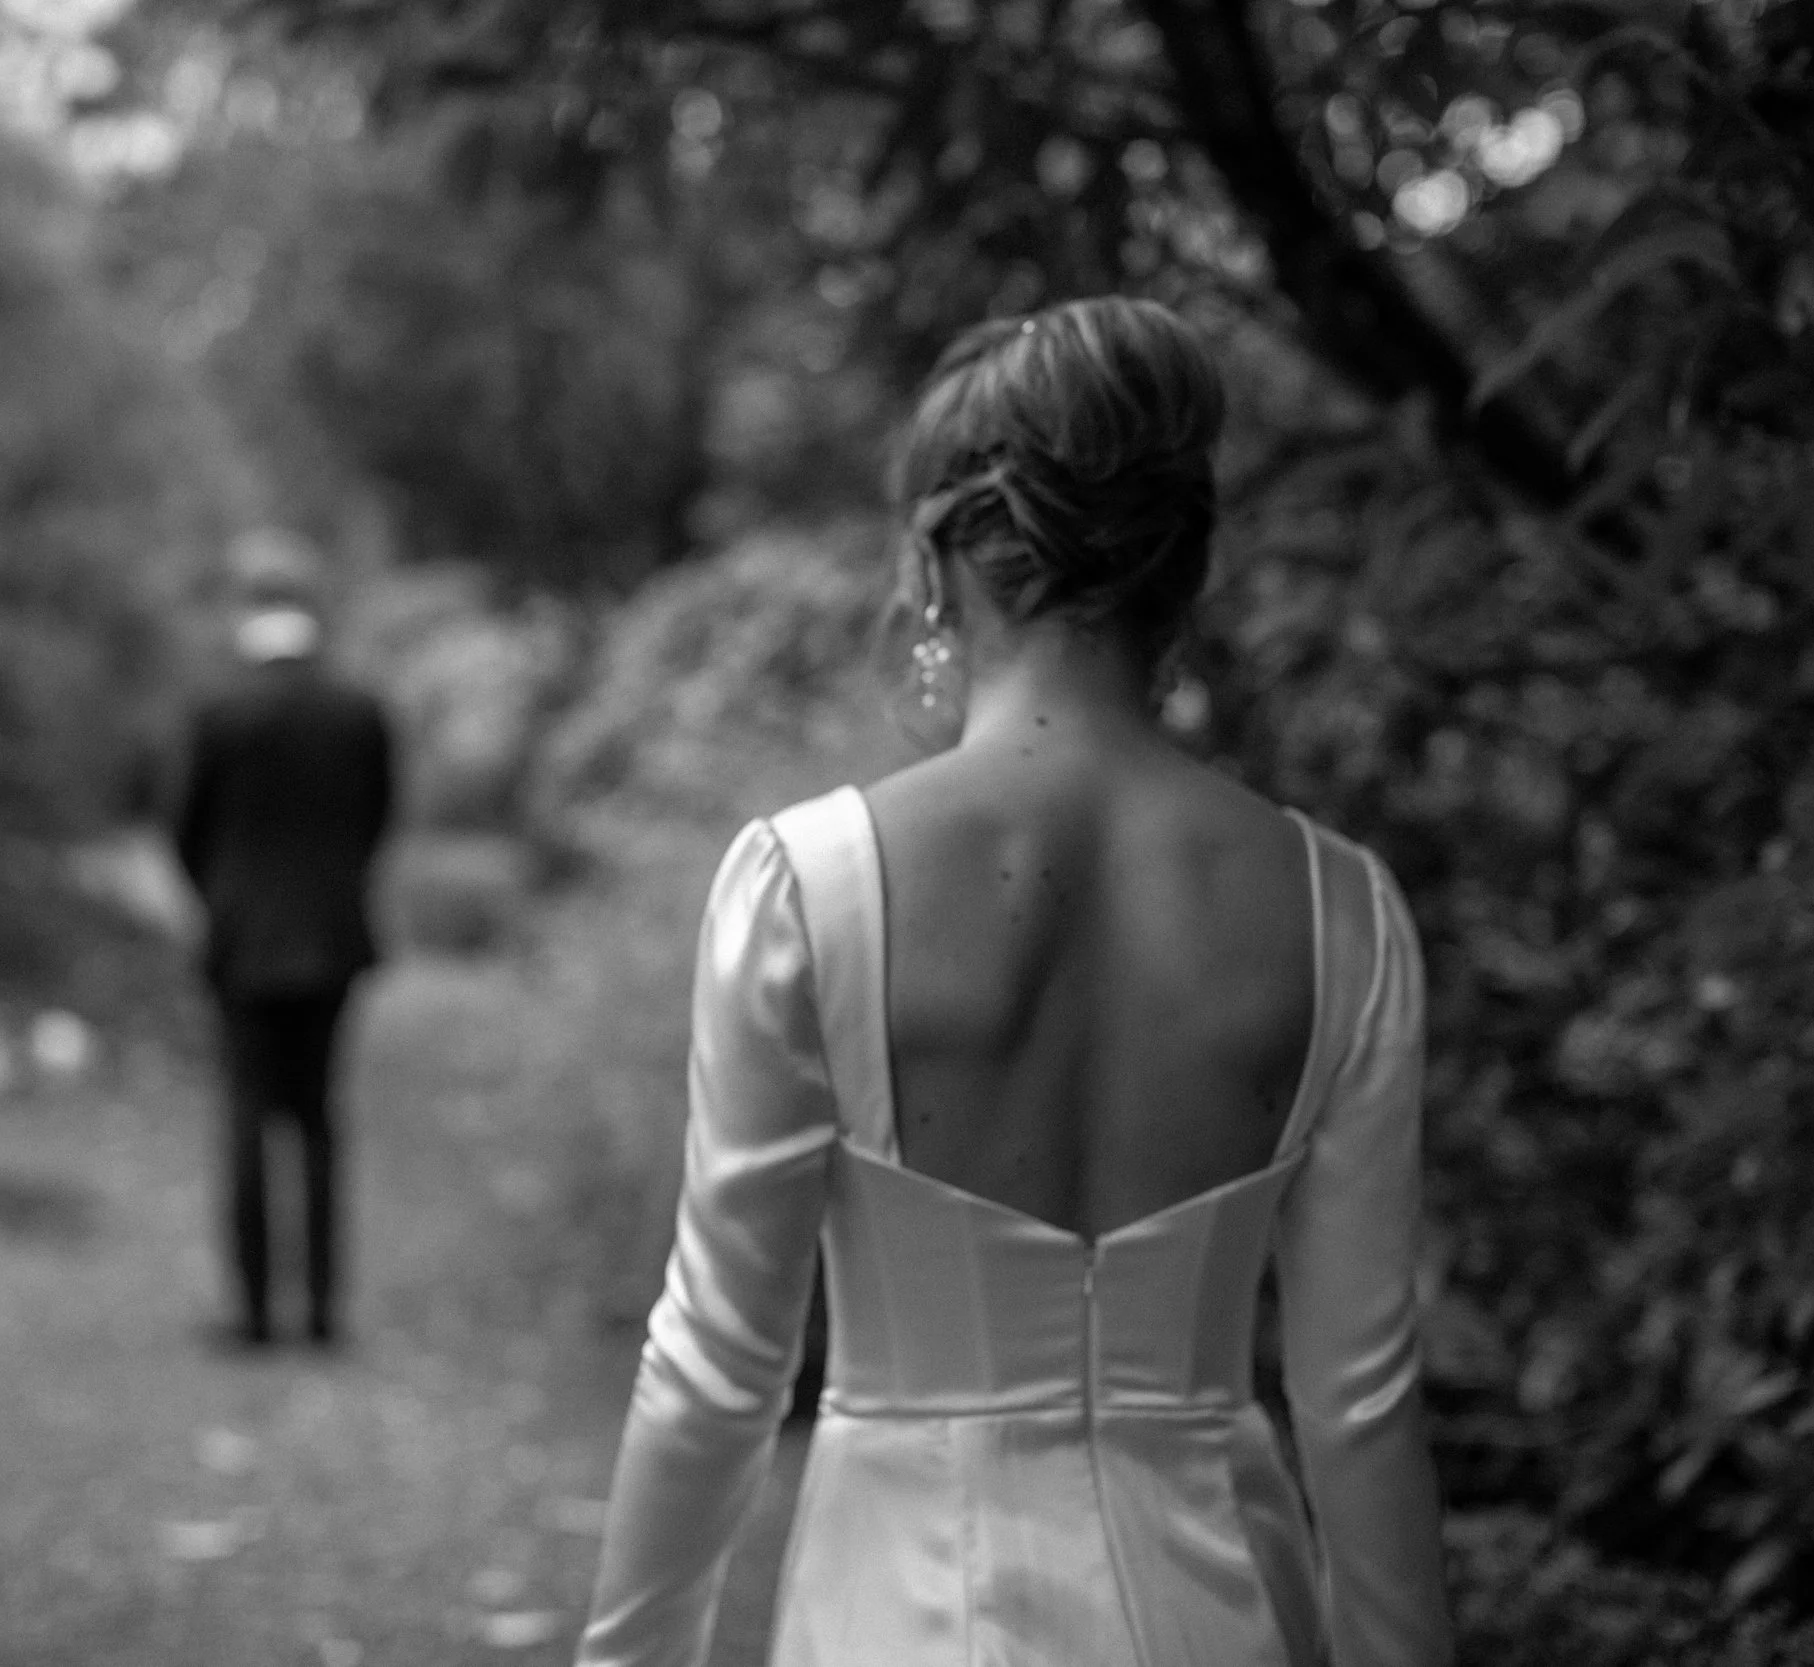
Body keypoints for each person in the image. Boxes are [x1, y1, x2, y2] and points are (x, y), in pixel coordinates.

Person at [578, 298, 1452, 1666]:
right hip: (1224, 1605)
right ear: (1187, 566)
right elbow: (1360, 1403)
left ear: (935, 562)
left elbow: (717, 1369)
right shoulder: (1344, 910)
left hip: (905, 1604)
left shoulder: (810, 887)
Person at [175, 536, 394, 1349]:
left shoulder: (220, 710)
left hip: (242, 945)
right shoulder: (358, 709)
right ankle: (326, 1308)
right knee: (320, 1120)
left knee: (245, 1118)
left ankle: (256, 1310)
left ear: (246, 608)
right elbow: (377, 818)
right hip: (334, 941)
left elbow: (186, 831)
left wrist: (223, 902)